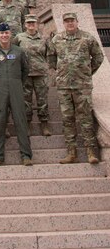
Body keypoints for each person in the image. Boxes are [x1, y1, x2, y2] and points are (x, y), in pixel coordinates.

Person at [48, 12, 104, 164]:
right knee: (67, 119)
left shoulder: (87, 38)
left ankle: (91, 152)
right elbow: (51, 57)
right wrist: (59, 72)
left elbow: (99, 57)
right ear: (64, 23)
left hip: (82, 86)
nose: (70, 23)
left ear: (77, 22)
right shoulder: (57, 39)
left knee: (86, 119)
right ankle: (71, 153)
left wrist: (86, 72)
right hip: (64, 87)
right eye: (67, 21)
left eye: (72, 21)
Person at [0, 23, 33, 166]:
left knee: (20, 120)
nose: (4, 35)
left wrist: (16, 82)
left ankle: (26, 155)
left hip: (16, 88)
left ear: (10, 34)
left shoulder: (19, 51)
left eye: (6, 33)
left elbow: (25, 70)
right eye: (1, 33)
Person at [13, 14, 52, 136]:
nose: (31, 25)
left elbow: (50, 54)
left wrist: (48, 68)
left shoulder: (44, 38)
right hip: (25, 74)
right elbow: (14, 53)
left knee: (43, 100)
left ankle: (44, 123)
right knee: (26, 100)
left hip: (41, 74)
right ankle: (27, 124)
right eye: (28, 23)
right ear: (25, 25)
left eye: (33, 23)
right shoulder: (19, 38)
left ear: (37, 25)